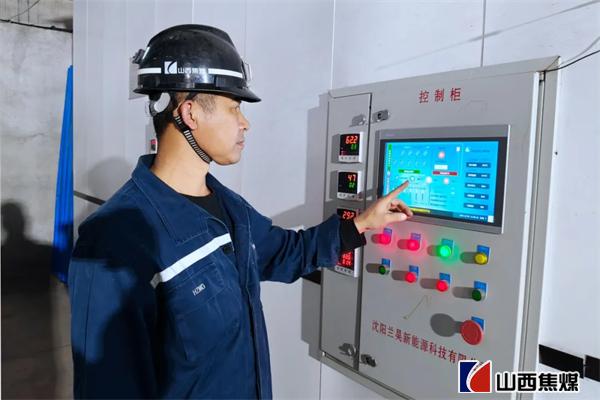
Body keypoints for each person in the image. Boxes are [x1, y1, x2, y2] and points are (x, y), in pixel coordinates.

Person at [68, 24, 413, 399]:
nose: (245, 122)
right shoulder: (115, 239)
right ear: (190, 113)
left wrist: (361, 224)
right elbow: (108, 386)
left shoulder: (229, 207)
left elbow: (286, 253)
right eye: (234, 107)